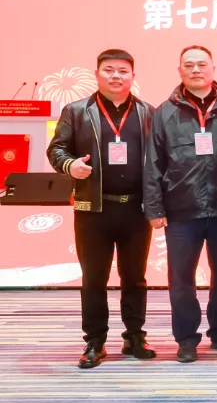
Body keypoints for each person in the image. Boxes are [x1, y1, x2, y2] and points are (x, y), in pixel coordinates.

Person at [47, 49, 156, 369]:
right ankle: (95, 341)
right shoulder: (76, 111)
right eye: (109, 70)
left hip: (136, 209)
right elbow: (56, 149)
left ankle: (134, 336)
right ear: (97, 74)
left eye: (123, 71)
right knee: (94, 278)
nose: (116, 76)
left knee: (135, 277)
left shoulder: (148, 112)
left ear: (133, 76)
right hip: (93, 209)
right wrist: (70, 165)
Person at [143, 45, 217, 363]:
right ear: (180, 71)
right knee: (181, 279)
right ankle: (186, 338)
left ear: (213, 69)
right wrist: (154, 208)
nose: (196, 70)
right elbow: (153, 162)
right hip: (181, 210)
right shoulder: (165, 112)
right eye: (188, 65)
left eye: (202, 64)